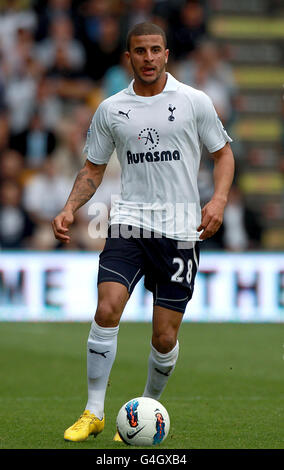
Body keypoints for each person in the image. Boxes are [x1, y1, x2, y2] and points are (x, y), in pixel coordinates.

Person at [51, 22, 235, 442]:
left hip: (180, 230)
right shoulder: (112, 108)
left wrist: (219, 199)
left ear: (166, 54)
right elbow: (93, 168)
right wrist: (68, 207)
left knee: (164, 336)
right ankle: (94, 411)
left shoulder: (194, 102)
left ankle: (148, 408)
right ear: (128, 58)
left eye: (155, 50)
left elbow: (224, 155)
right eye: (140, 51)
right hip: (130, 223)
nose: (148, 58)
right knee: (107, 307)